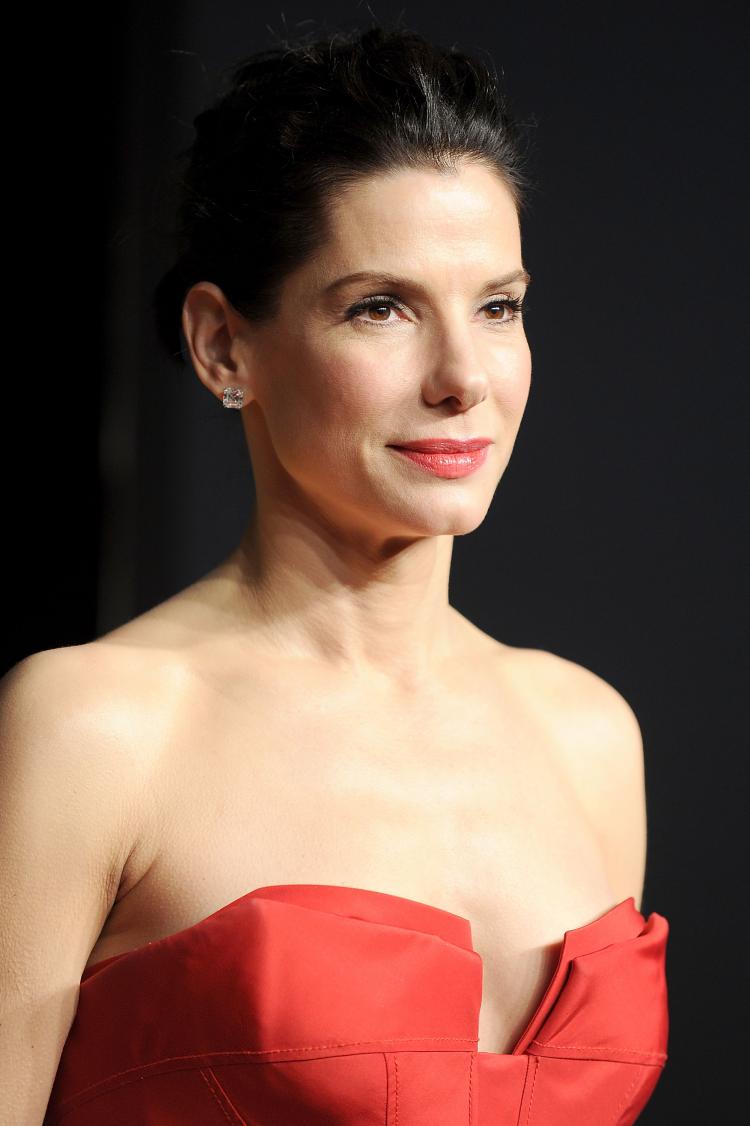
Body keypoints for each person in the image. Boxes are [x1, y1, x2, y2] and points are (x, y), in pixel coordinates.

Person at [1, 22, 669, 1125]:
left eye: (498, 306)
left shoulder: (588, 733)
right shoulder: (97, 727)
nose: (465, 377)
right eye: (382, 307)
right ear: (226, 346)